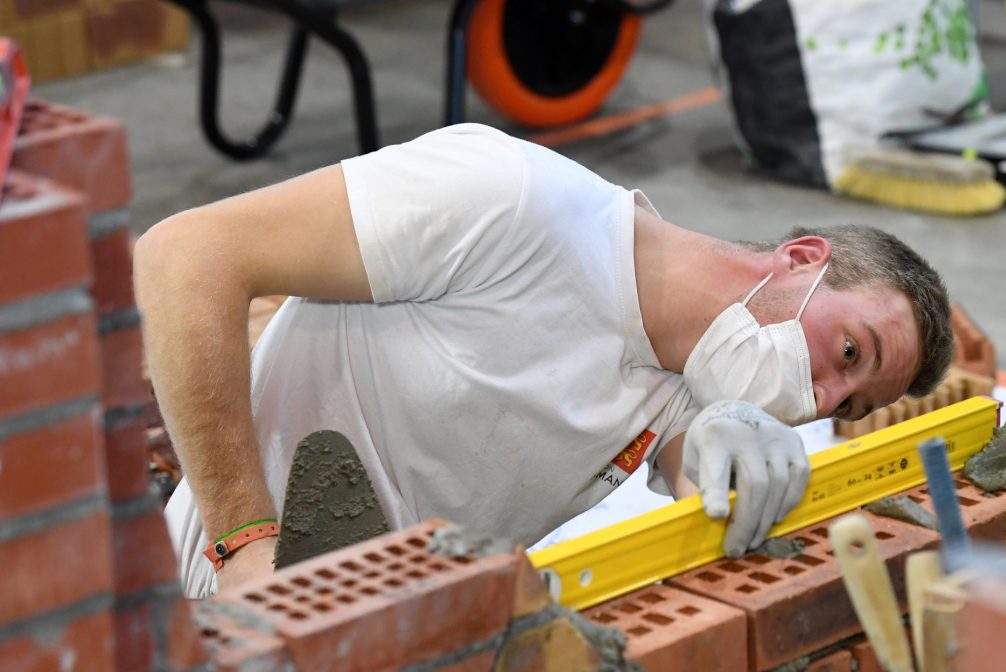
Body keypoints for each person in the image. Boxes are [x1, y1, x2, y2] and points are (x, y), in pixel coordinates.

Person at [135, 124, 954, 599]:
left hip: (373, 664)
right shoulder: (514, 200)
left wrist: (729, 449)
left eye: (848, 403)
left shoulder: (689, 388)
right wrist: (244, 544)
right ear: (801, 259)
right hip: (212, 607)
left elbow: (699, 474)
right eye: (850, 351)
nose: (822, 396)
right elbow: (186, 255)